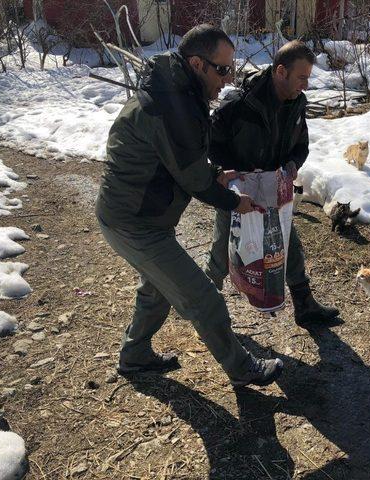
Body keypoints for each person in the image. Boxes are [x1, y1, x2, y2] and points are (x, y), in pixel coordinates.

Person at [95, 24, 283, 387]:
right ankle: (242, 369)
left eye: (233, 69)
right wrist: (233, 201)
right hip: (132, 222)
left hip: (141, 216)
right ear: (198, 64)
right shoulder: (170, 105)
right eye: (223, 69)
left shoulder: (178, 94)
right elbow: (192, 178)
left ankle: (135, 356)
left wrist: (216, 173)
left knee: (157, 289)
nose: (228, 80)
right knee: (201, 296)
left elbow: (183, 161)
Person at [204, 40, 339, 326]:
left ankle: (305, 306)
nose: (305, 85)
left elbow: (300, 145)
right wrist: (224, 173)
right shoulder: (239, 104)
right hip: (237, 191)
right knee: (222, 251)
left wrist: (292, 164)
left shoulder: (297, 104)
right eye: (302, 77)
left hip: (274, 188)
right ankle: (202, 308)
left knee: (287, 242)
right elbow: (209, 145)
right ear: (281, 71)